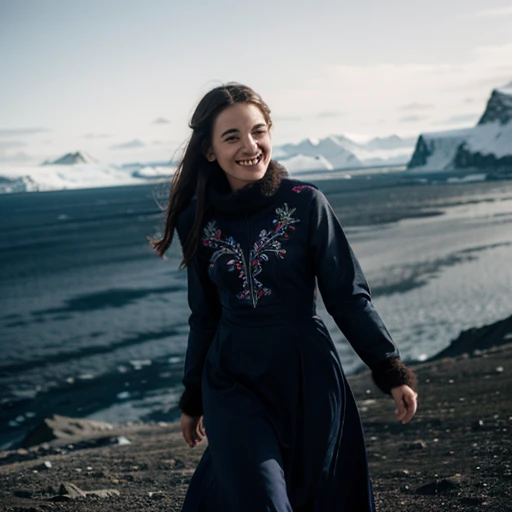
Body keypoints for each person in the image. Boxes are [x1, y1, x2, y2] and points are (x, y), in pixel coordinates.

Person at [149, 82, 418, 511]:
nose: (250, 146)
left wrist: (389, 368)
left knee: (315, 497)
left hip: (305, 377)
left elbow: (346, 294)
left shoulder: (306, 203)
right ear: (209, 150)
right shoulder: (196, 218)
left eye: (258, 131)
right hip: (232, 380)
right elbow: (204, 316)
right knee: (264, 499)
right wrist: (193, 397)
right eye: (232, 136)